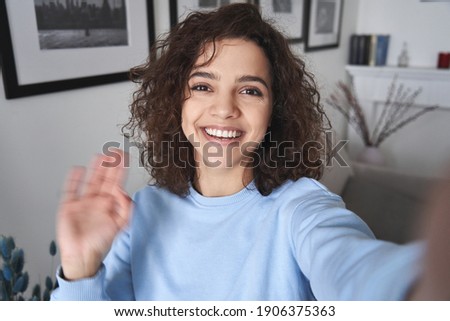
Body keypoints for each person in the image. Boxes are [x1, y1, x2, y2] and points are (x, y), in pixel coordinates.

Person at [50, 3, 449, 301]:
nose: (224, 108)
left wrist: (421, 284)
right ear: (177, 102)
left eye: (250, 89)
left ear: (275, 110)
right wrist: (81, 267)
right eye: (203, 86)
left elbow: (353, 265)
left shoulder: (301, 209)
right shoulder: (142, 212)